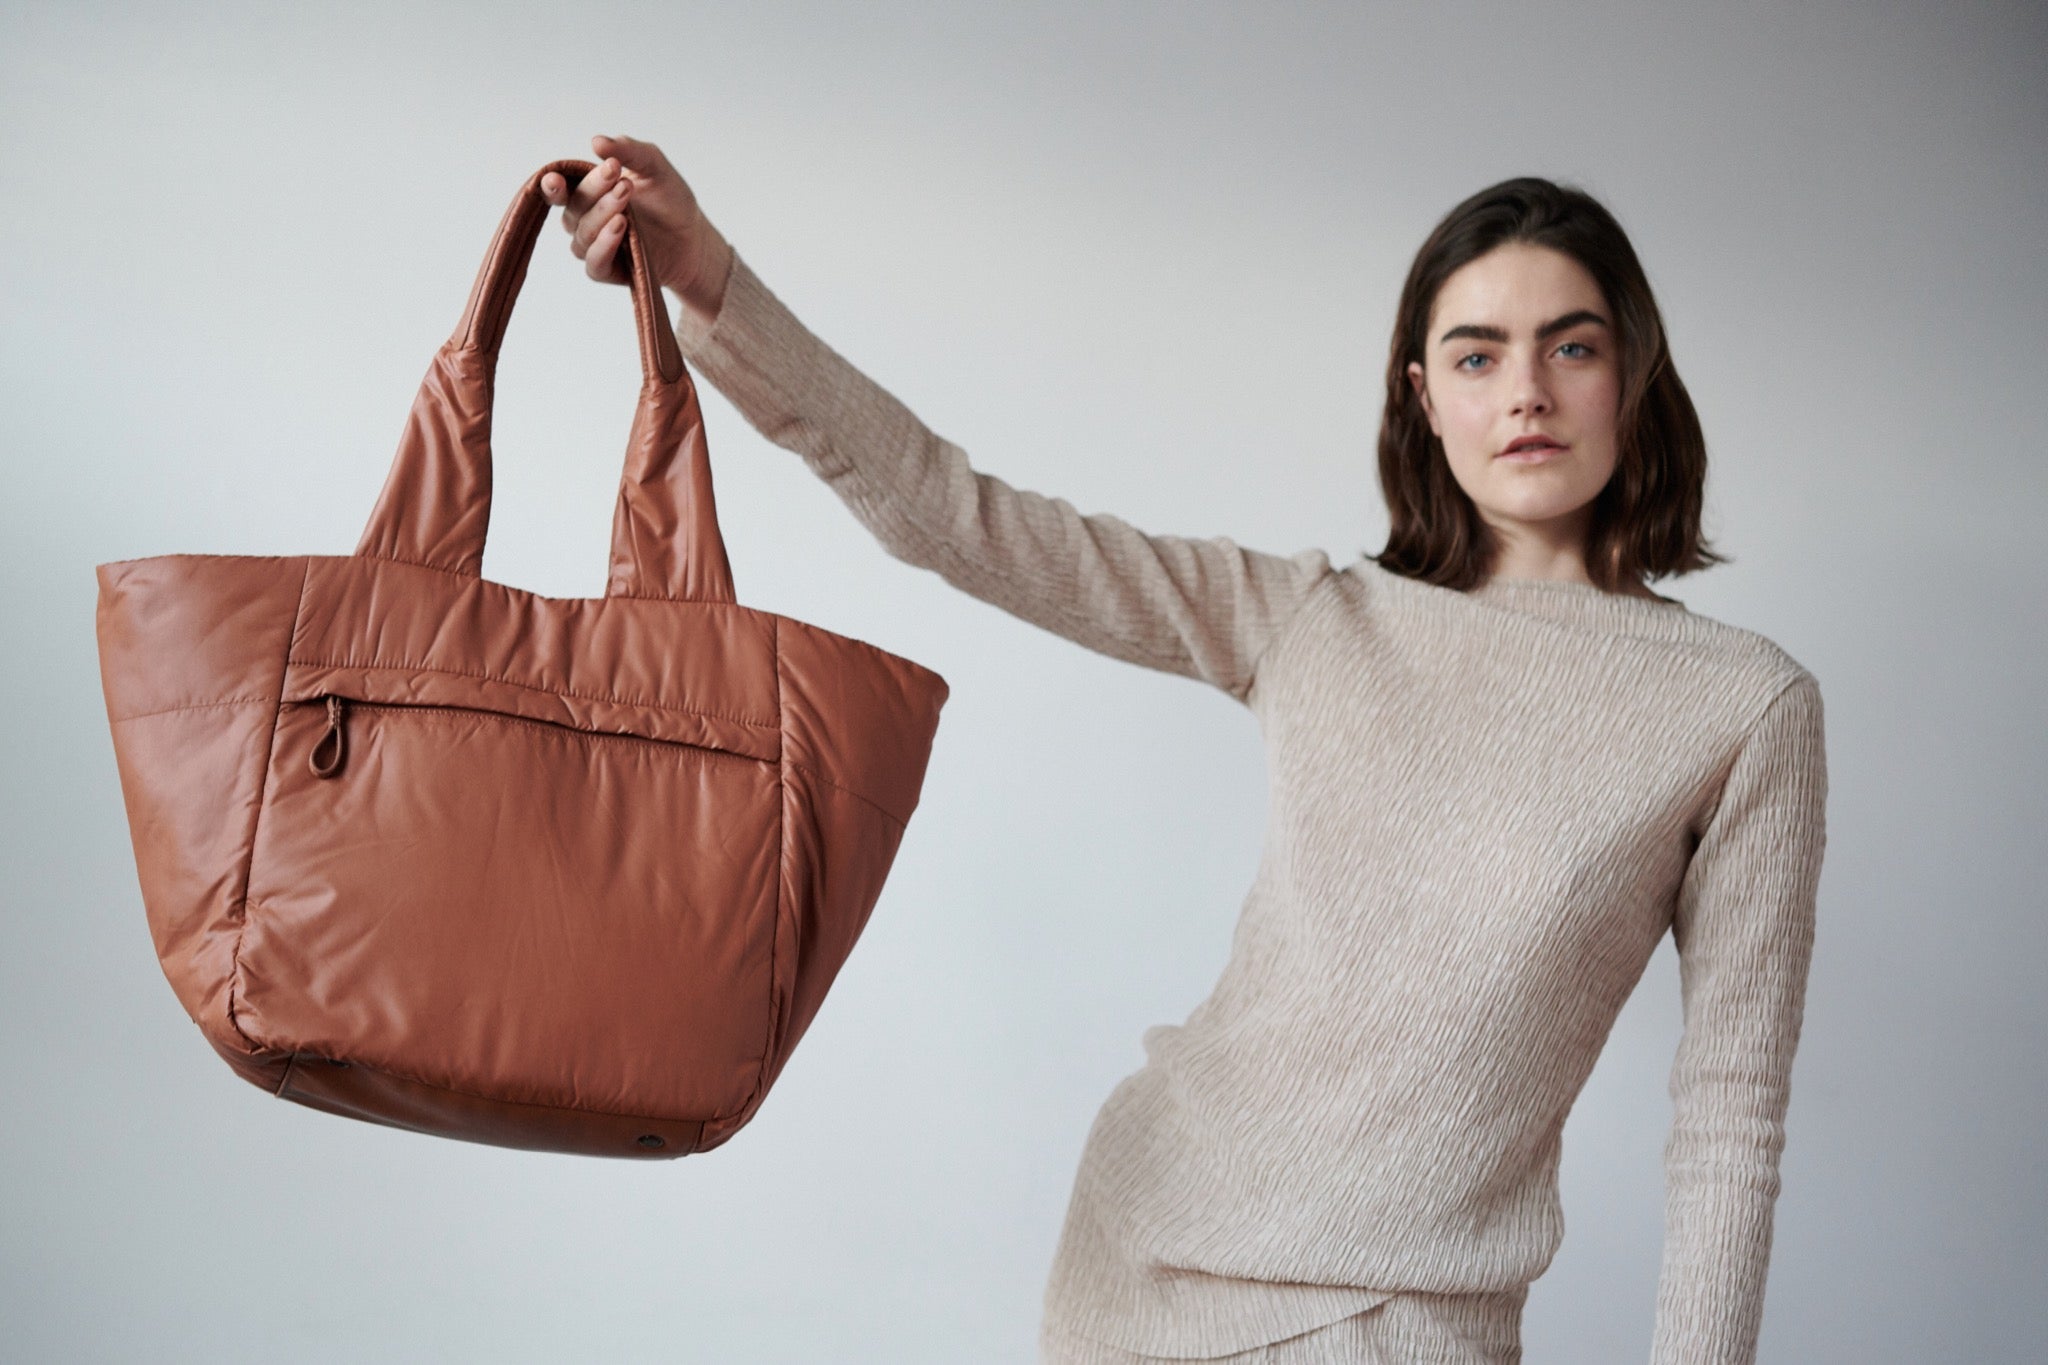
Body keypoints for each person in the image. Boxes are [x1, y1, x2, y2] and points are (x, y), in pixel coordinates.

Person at [541, 133, 1828, 1365]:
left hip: (1411, 1322)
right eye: (1478, 356)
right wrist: (713, 288)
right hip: (1139, 1273)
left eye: (1572, 345)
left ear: (1632, 374)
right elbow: (953, 515)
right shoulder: (1312, 618)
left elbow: (1726, 1129)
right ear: (1423, 397)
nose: (1529, 393)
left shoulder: (1735, 708)